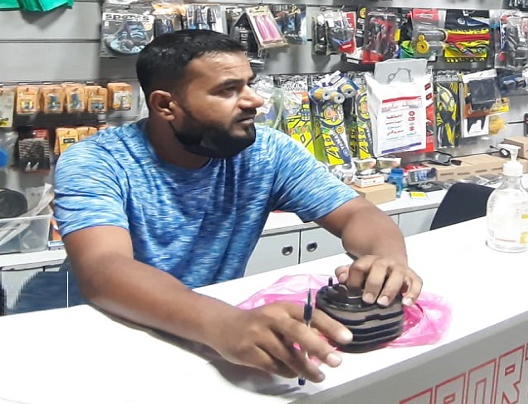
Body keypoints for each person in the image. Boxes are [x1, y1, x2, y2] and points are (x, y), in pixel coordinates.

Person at [54, 30, 422, 384]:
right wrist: (222, 323)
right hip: (102, 335)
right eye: (227, 90)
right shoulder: (97, 161)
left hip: (206, 338)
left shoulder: (268, 151)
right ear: (166, 105)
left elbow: (355, 212)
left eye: (249, 84)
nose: (254, 100)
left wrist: (387, 259)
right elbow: (103, 269)